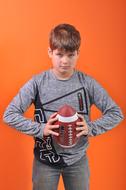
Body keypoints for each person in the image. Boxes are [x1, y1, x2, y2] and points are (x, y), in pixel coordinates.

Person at [3, 23, 124, 190]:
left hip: (77, 161)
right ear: (50, 52)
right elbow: (9, 114)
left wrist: (90, 128)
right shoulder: (38, 83)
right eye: (59, 54)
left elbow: (116, 113)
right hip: (45, 161)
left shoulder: (87, 83)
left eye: (71, 55)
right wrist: (41, 128)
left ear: (78, 54)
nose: (65, 61)